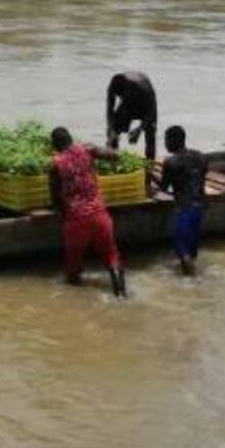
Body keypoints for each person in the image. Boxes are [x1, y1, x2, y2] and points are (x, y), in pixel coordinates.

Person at [48, 127, 127, 298]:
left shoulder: (56, 163)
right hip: (100, 215)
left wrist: (62, 215)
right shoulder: (87, 149)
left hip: (76, 219)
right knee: (112, 256)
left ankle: (76, 303)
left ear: (54, 145)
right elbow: (115, 155)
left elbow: (54, 196)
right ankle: (120, 294)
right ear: (71, 139)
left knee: (73, 267)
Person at [159, 125, 208, 275]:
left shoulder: (170, 162)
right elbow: (199, 179)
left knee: (182, 251)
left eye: (166, 140)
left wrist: (151, 179)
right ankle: (192, 280)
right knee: (191, 253)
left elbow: (164, 188)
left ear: (174, 141)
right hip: (200, 208)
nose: (165, 144)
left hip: (184, 210)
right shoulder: (200, 157)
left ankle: (191, 287)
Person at [106, 72, 158, 164]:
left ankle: (150, 165)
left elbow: (151, 112)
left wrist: (139, 129)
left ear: (128, 87)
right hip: (128, 106)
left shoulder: (144, 88)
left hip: (146, 105)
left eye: (122, 94)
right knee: (113, 132)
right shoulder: (112, 87)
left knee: (150, 133)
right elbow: (110, 110)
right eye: (119, 95)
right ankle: (113, 161)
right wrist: (111, 130)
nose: (120, 97)